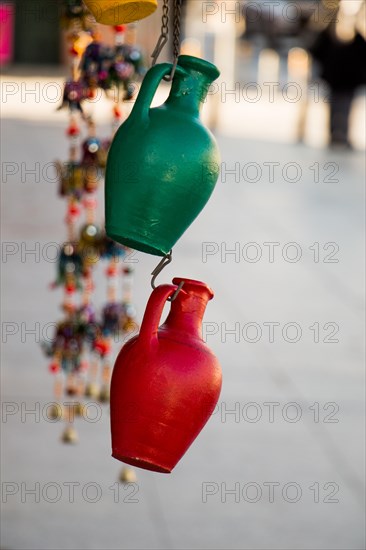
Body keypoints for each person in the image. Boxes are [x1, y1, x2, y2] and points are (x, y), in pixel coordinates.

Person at [310, 17, 366, 148]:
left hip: (347, 82)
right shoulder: (329, 40)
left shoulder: (356, 42)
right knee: (336, 108)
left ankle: (342, 135)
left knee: (344, 108)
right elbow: (316, 50)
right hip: (335, 81)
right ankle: (335, 135)